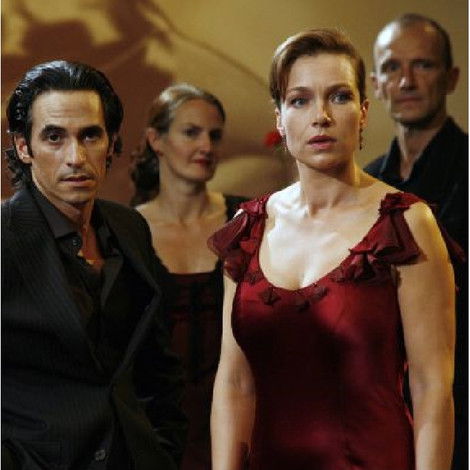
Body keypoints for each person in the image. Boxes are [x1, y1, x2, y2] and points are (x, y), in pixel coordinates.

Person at [208, 29, 463, 470]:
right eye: (300, 100)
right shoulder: (247, 228)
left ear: (363, 113)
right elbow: (234, 384)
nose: (321, 116)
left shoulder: (405, 222)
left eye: (339, 97)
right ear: (279, 118)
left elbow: (432, 389)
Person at [2, 60, 186, 470]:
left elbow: (157, 367)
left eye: (90, 135)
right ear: (23, 147)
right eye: (54, 137)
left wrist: (164, 448)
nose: (76, 157)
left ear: (111, 141)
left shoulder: (128, 227)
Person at [364, 14, 467, 470]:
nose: (406, 81)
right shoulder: (365, 184)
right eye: (392, 67)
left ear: (451, 78)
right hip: (381, 411)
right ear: (375, 84)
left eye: (422, 65)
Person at [130, 83, 246, 470]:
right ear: (156, 140)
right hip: (157, 432)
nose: (206, 146)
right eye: (191, 132)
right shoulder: (125, 230)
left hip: (238, 419)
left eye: (214, 135)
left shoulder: (245, 220)